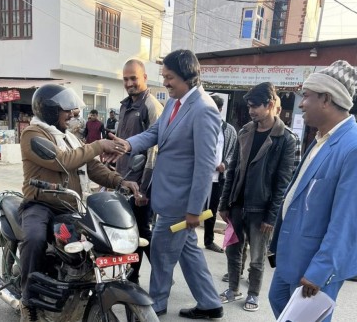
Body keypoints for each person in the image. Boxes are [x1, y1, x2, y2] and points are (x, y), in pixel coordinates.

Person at [110, 49, 223, 319]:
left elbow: (205, 166)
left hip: (181, 203)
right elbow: (154, 133)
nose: (166, 83)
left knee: (160, 252)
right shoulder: (175, 102)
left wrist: (195, 210)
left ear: (187, 76)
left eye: (170, 77)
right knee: (188, 252)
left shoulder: (204, 110)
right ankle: (210, 303)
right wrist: (128, 145)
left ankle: (155, 307)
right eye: (164, 77)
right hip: (168, 196)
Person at [19, 84, 138, 322]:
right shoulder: (33, 134)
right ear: (51, 110)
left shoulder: (71, 137)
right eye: (67, 110)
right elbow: (62, 161)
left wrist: (120, 182)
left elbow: (92, 166)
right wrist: (97, 145)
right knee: (35, 239)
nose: (72, 114)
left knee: (93, 245)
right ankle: (27, 300)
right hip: (40, 204)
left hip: (72, 206)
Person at [269, 60, 357, 322]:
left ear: (326, 99)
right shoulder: (322, 139)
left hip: (315, 265)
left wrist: (320, 270)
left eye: (306, 96)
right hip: (292, 256)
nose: (302, 104)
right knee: (279, 304)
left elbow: (347, 221)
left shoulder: (351, 148)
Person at [218, 82, 296, 312]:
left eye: (255, 106)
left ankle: (253, 293)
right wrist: (224, 203)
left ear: (270, 104)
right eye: (249, 106)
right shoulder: (245, 131)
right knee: (233, 250)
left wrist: (271, 218)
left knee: (257, 258)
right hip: (236, 205)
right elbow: (232, 170)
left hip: (261, 210)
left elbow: (282, 184)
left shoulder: (285, 140)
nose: (251, 110)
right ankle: (233, 288)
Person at [115, 59, 163, 284]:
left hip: (141, 185)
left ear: (145, 77)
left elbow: (154, 151)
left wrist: (143, 189)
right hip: (124, 182)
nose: (129, 83)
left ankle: (138, 279)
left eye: (134, 78)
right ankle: (140, 276)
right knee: (129, 232)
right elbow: (122, 145)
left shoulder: (151, 106)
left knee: (141, 232)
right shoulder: (125, 105)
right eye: (126, 79)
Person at [204, 95, 237, 253]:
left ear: (220, 110)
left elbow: (233, 152)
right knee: (194, 209)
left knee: (211, 210)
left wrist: (225, 164)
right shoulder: (201, 126)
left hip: (218, 178)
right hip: (200, 177)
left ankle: (209, 240)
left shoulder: (229, 130)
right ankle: (187, 239)